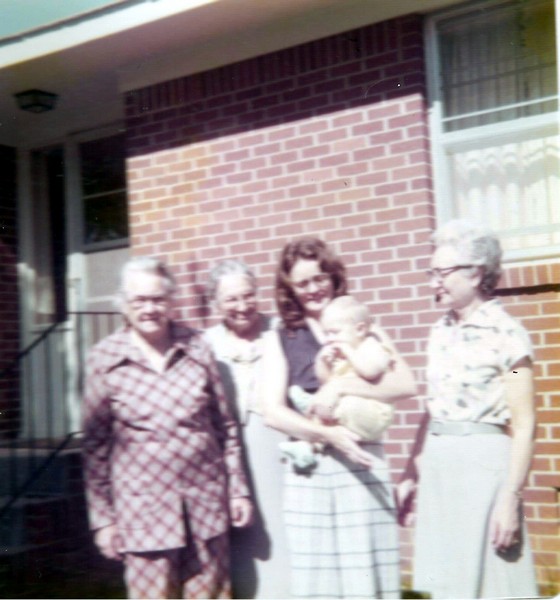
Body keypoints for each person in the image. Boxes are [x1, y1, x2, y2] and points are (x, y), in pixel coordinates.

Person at [82, 256, 253, 600]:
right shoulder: (104, 358)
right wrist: (104, 521)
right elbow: (96, 448)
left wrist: (237, 491)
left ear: (171, 301)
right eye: (139, 301)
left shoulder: (198, 347)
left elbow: (225, 425)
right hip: (144, 516)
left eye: (158, 299)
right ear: (123, 304)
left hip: (205, 508)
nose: (149, 309)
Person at [261, 237, 417, 599]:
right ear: (290, 289)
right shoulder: (281, 336)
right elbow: (272, 411)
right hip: (311, 467)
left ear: (333, 276)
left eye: (319, 278)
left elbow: (405, 384)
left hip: (362, 460)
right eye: (302, 283)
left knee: (366, 574)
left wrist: (340, 386)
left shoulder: (362, 327)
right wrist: (326, 435)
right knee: (318, 579)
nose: (313, 289)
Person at [397, 219, 538, 599]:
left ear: (475, 273)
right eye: (431, 273)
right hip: (440, 466)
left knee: (493, 583)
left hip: (483, 468)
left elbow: (524, 424)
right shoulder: (440, 332)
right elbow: (433, 409)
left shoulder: (508, 337)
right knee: (449, 587)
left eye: (442, 273)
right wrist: (411, 471)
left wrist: (510, 497)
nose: (434, 283)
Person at [204, 259, 290, 599]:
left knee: (281, 529)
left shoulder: (279, 330)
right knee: (243, 535)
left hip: (277, 446)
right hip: (229, 452)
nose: (242, 306)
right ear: (215, 303)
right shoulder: (206, 344)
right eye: (231, 299)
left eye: (248, 295)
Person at [280, 295, 395, 470]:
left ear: (360, 330)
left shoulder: (372, 345)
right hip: (350, 412)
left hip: (373, 413)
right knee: (326, 403)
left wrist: (348, 352)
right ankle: (306, 449)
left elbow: (370, 371)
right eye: (326, 333)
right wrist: (322, 362)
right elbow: (327, 381)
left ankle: (313, 407)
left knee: (344, 403)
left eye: (335, 333)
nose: (329, 339)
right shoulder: (342, 354)